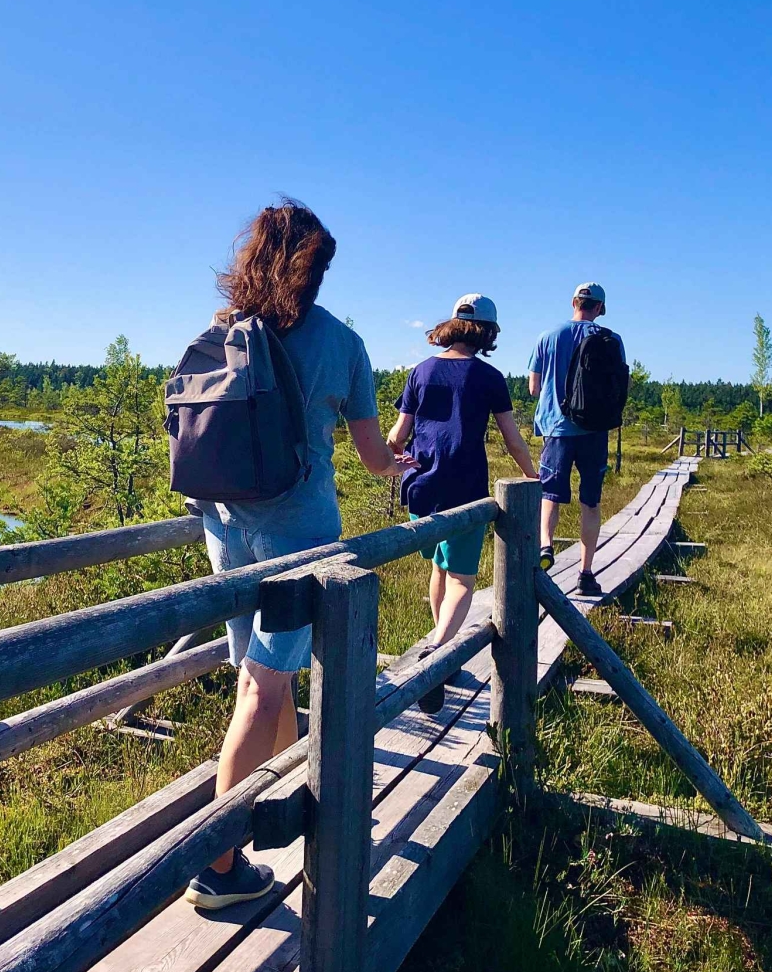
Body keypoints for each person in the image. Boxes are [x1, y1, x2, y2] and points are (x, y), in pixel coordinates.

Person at [184, 199, 415, 910]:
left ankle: (284, 790)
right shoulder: (341, 344)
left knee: (261, 678)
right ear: (314, 268)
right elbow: (375, 457)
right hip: (302, 533)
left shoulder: (220, 332)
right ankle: (218, 865)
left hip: (224, 524)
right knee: (264, 686)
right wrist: (400, 463)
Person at [386, 294, 537, 647]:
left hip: (421, 487)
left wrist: (396, 460)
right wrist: (531, 474)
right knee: (461, 579)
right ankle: (440, 649)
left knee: (439, 566)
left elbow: (396, 435)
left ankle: (439, 641)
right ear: (486, 333)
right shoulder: (489, 377)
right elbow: (512, 439)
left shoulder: (420, 371)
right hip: (464, 486)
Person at [527, 282, 621, 598]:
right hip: (595, 430)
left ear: (574, 302)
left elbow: (534, 388)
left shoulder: (547, 337)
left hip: (557, 428)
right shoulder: (611, 339)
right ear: (600, 308)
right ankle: (585, 573)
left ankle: (545, 546)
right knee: (590, 501)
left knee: (550, 494)